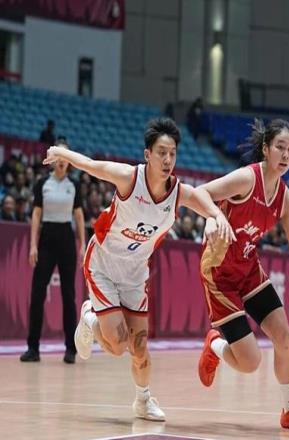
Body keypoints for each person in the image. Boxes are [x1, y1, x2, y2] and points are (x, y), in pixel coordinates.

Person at [42, 117, 234, 422]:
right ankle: (90, 317)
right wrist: (61, 152)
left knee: (140, 347)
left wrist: (216, 217)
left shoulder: (177, 192)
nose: (167, 160)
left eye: (172, 154)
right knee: (118, 345)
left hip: (134, 274)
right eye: (161, 153)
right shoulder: (129, 179)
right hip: (104, 263)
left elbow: (202, 198)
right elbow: (91, 165)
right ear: (148, 154)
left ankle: (143, 401)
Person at [196, 119, 289, 432]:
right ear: (265, 149)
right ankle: (216, 346)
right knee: (250, 362)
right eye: (280, 147)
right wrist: (213, 216)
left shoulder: (286, 200)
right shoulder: (246, 179)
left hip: (249, 270)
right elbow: (200, 192)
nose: (286, 154)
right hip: (219, 273)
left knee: (284, 338)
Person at [20, 140, 86, 364]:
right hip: (47, 238)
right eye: (58, 156)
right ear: (53, 159)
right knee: (37, 293)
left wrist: (82, 244)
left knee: (69, 295)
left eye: (65, 157)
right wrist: (33, 245)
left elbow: (79, 216)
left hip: (66, 239)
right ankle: (33, 348)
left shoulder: (74, 185)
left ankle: (70, 349)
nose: (61, 161)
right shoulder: (42, 183)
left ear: (69, 161)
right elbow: (36, 214)